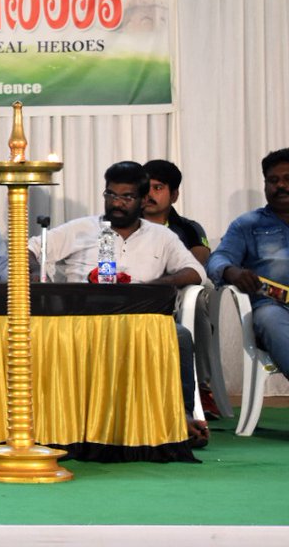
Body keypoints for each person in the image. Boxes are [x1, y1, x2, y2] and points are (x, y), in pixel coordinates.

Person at [28, 160, 208, 447]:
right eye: (111, 195)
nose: (117, 203)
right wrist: (36, 274)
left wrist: (151, 288)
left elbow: (195, 271)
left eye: (126, 197)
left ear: (142, 200)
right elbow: (32, 249)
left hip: (139, 322)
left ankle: (183, 418)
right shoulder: (81, 229)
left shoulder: (161, 237)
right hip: (78, 321)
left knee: (180, 336)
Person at [142, 159, 220, 418]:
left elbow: (197, 262)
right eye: (145, 187)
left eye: (158, 188)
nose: (149, 195)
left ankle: (202, 388)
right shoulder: (124, 225)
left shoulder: (188, 228)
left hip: (175, 294)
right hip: (134, 294)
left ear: (174, 194)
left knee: (198, 298)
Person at [207, 148, 289, 383]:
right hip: (275, 309)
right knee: (269, 319)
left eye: (287, 179)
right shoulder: (248, 224)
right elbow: (217, 259)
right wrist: (232, 271)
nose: (280, 186)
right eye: (273, 181)